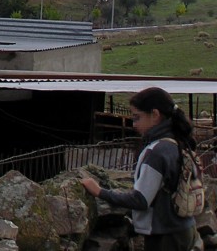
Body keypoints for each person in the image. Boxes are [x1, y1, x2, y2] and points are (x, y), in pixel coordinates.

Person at [80, 87, 200, 251]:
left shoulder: (157, 152)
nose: (134, 124)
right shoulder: (179, 142)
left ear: (155, 115)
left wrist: (100, 192)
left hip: (164, 237)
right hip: (185, 229)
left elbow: (141, 200)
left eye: (137, 117)